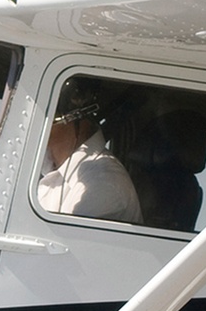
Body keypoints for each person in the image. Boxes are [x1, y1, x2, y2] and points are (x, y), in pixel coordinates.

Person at [37, 86, 139, 221]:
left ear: (73, 116)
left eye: (42, 110)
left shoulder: (103, 183)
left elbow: (65, 240)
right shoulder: (48, 170)